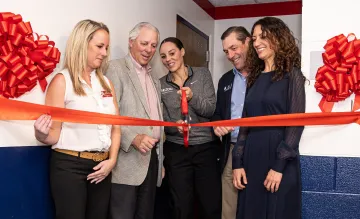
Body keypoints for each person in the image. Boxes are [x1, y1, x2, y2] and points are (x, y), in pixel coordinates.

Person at [33, 19, 120, 219]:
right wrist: (40, 132)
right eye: (99, 46)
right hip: (69, 167)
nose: (105, 53)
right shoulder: (62, 81)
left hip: (102, 167)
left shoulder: (106, 83)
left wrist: (112, 160)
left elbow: (116, 126)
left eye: (106, 47)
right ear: (82, 44)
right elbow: (52, 136)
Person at [232, 17, 305, 219]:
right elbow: (244, 124)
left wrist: (278, 166)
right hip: (251, 158)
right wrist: (237, 162)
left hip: (279, 157)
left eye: (262, 36)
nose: (256, 43)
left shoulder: (293, 75)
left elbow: (295, 124)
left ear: (278, 38)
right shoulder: (253, 78)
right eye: (254, 38)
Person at [106, 22, 164, 219]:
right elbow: (110, 114)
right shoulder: (115, 68)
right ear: (131, 42)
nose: (149, 50)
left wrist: (160, 159)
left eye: (153, 45)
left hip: (152, 162)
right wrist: (132, 137)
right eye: (144, 43)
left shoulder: (154, 77)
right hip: (126, 162)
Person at [159, 37, 221, 219]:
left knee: (209, 204)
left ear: (182, 51)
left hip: (205, 148)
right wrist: (173, 126)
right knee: (181, 206)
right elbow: (162, 119)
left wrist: (193, 97)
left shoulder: (202, 75)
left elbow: (211, 109)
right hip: (176, 150)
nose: (168, 59)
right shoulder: (160, 84)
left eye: (172, 53)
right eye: (163, 56)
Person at [212, 26, 250, 219]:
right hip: (231, 148)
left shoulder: (266, 77)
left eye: (234, 48)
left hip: (257, 146)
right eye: (226, 51)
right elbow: (218, 113)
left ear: (248, 42)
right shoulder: (224, 80)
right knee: (229, 203)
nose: (230, 55)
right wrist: (218, 125)